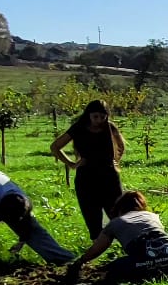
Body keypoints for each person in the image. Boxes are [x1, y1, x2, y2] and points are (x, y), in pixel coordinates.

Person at [0, 169, 75, 275]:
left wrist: (22, 240)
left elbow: (28, 226)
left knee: (35, 231)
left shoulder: (24, 202)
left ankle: (65, 259)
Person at [68, 190, 168, 283]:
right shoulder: (152, 216)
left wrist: (81, 261)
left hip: (144, 266)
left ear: (119, 208)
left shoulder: (116, 222)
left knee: (114, 266)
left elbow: (97, 248)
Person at [51, 99, 127, 241]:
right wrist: (71, 164)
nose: (99, 120)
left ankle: (125, 243)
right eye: (95, 117)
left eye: (102, 117)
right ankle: (98, 245)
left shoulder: (110, 127)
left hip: (109, 177)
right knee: (92, 216)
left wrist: (115, 161)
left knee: (117, 214)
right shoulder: (78, 128)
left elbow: (121, 146)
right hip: (86, 178)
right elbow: (55, 147)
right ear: (88, 115)